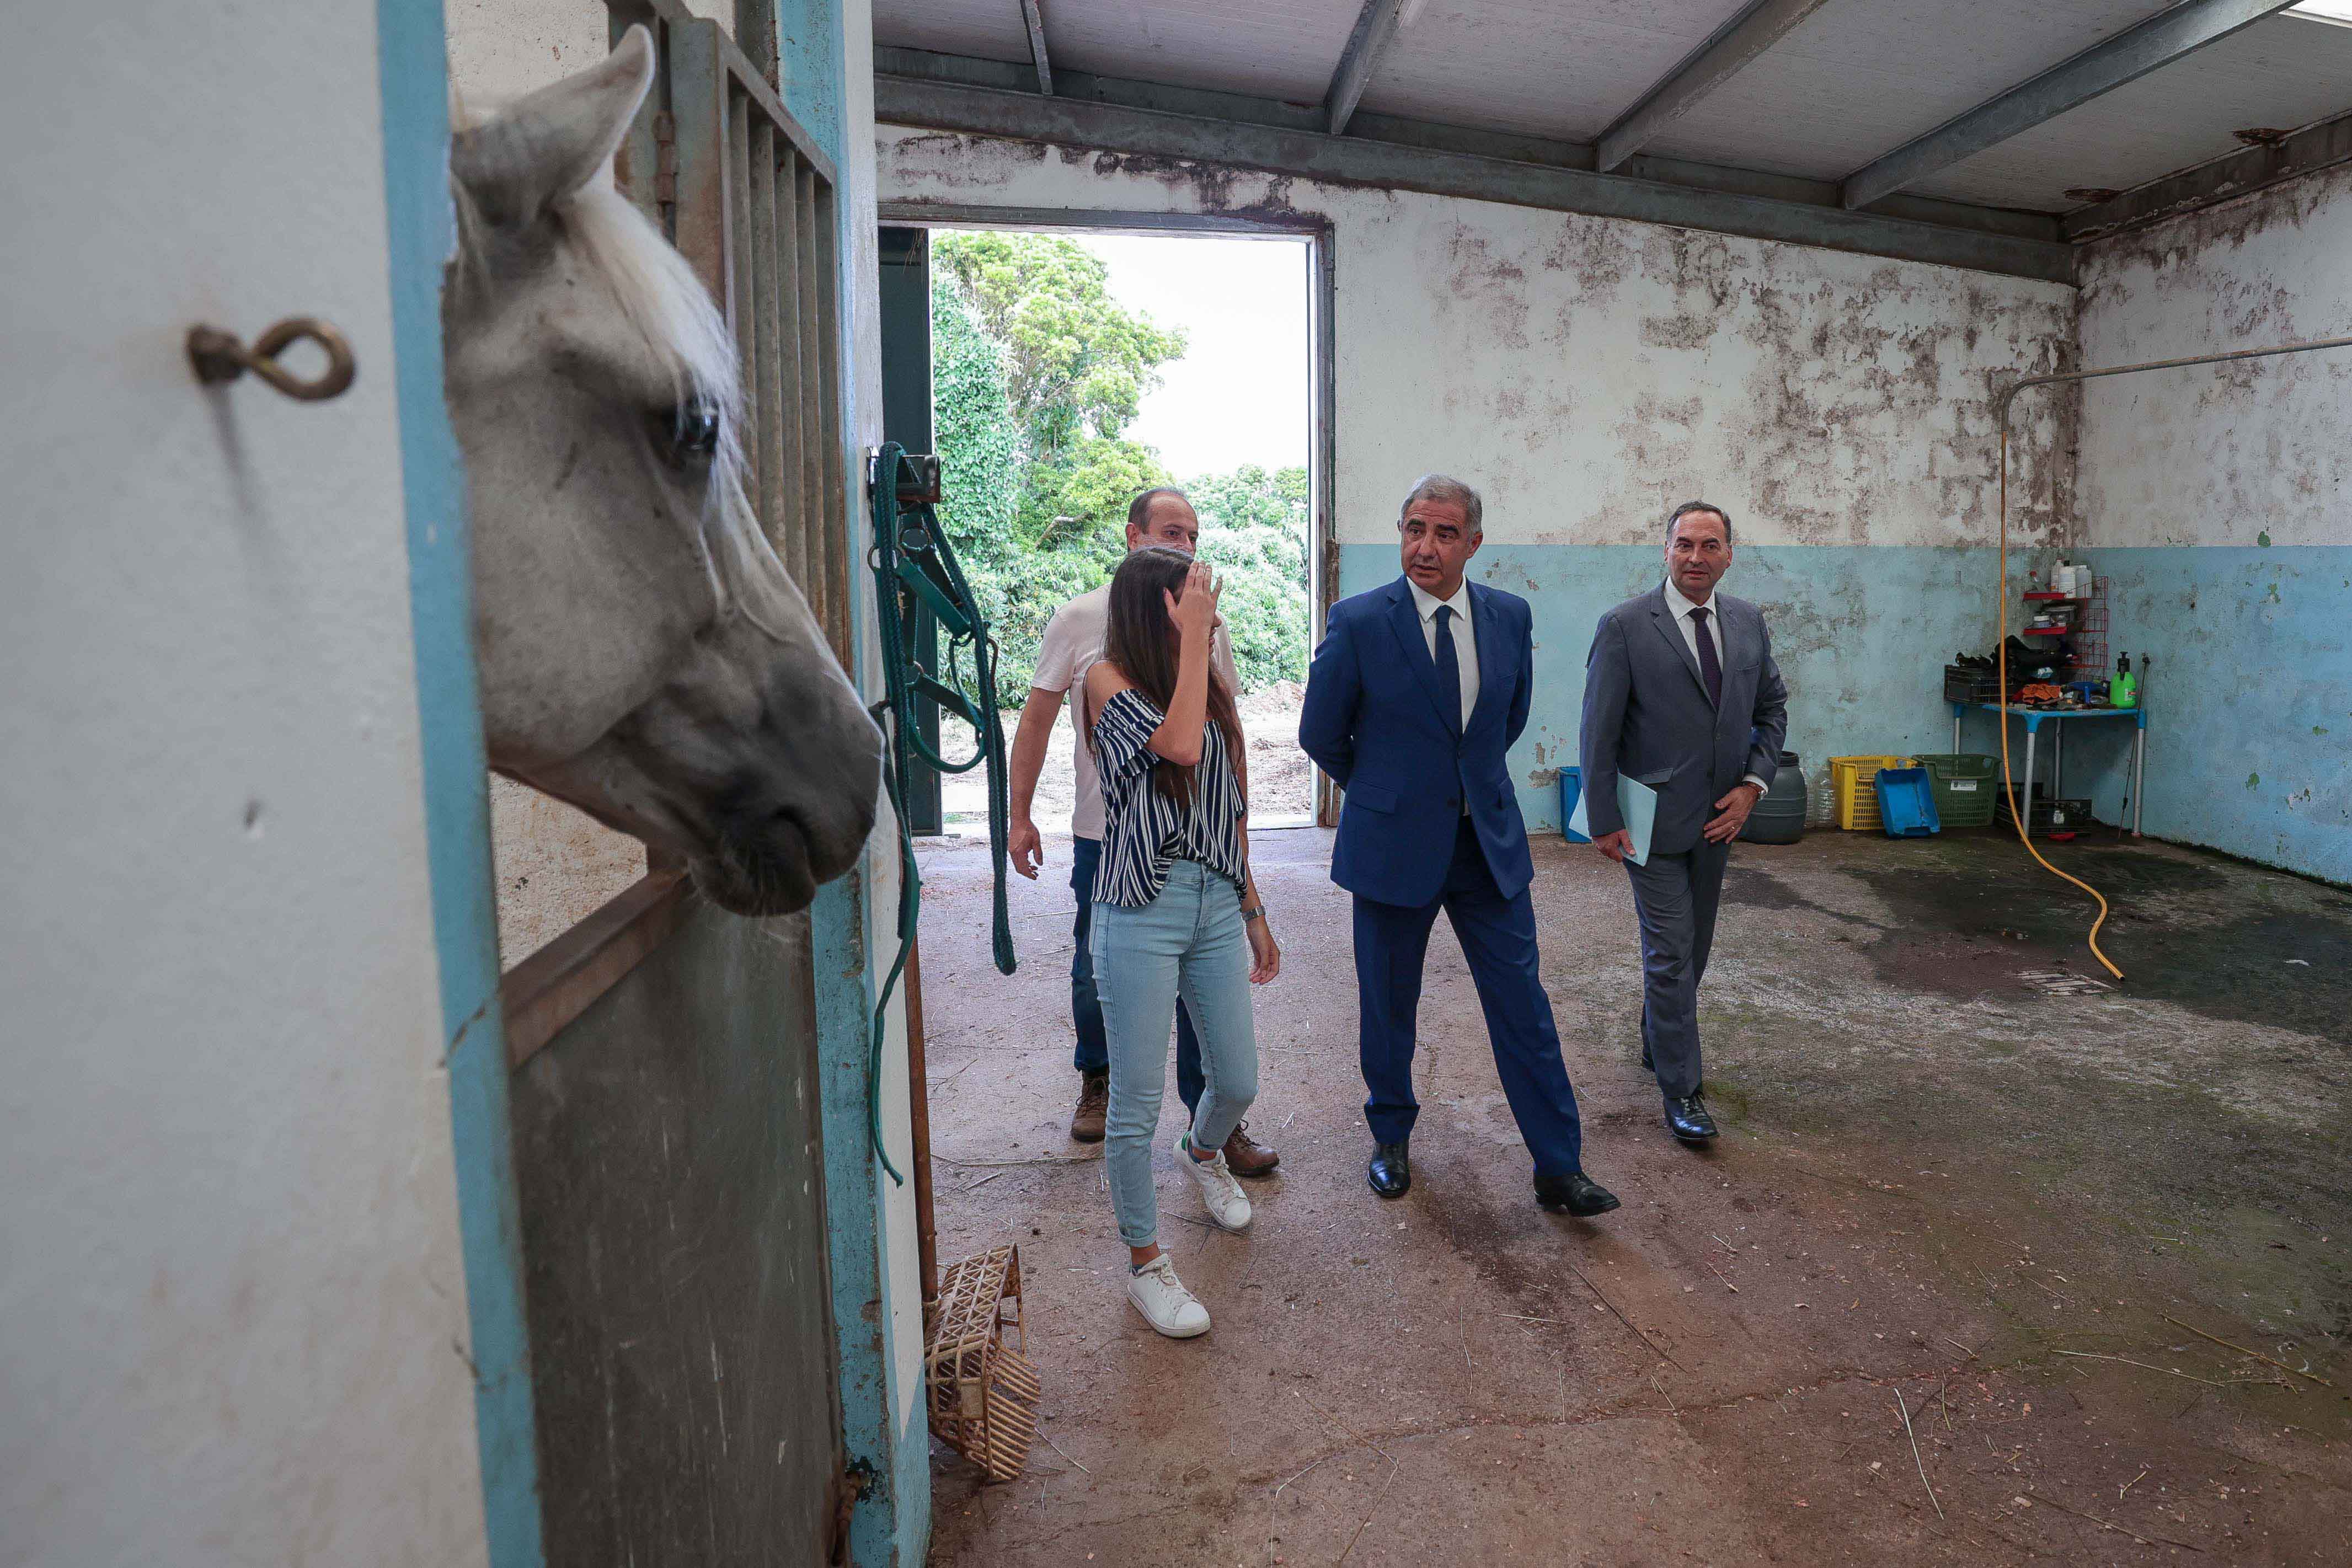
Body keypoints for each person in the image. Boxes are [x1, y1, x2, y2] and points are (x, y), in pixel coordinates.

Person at [1298, 474, 1619, 1218]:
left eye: (1445, 534)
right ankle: (1390, 1138)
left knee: (1523, 1006)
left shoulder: (1508, 616)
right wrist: (1384, 790)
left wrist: (1464, 784)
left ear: (1473, 543)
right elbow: (1321, 734)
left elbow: (1508, 718)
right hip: (1391, 845)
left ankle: (1558, 1165)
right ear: (1401, 532)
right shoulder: (1358, 621)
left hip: (1488, 845)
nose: (1426, 547)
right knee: (1388, 1002)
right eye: (1415, 529)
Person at [1008, 489, 1281, 1176]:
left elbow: (1225, 743)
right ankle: (1098, 1079)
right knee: (1096, 971)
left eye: (1193, 534)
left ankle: (1213, 1117)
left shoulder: (1201, 625)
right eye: (1170, 532)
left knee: (1206, 993)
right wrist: (1018, 814)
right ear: (1133, 535)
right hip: (1112, 834)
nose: (1185, 546)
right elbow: (1037, 722)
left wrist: (1246, 879)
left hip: (1198, 845)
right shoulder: (1081, 623)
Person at [1083, 549, 1281, 1337]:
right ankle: (1146, 1265)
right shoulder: (1105, 680)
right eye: (1189, 596)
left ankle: (1201, 1152)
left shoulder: (1207, 685)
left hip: (1211, 898)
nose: (1206, 606)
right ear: (1154, 605)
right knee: (1132, 1106)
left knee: (1236, 1075)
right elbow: (1182, 746)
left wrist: (1253, 905)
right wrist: (1196, 638)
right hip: (1141, 908)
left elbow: (1229, 802)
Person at [1578, 500, 1789, 1144]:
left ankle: (1656, 1037)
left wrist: (1752, 786)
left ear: (1729, 554)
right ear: (1664, 550)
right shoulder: (1624, 626)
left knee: (1693, 951)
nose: (1695, 557)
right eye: (1684, 544)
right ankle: (1683, 1090)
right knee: (1670, 953)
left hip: (1720, 820)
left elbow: (1772, 708)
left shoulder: (1748, 622)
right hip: (1650, 821)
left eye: (1710, 545)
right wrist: (1604, 817)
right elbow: (1598, 729)